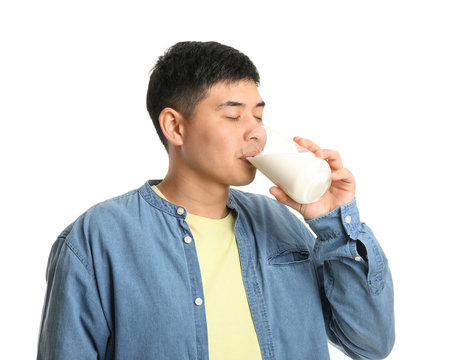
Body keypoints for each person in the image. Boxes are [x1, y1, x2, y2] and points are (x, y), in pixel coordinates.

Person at [37, 41, 395, 360]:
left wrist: (332, 221)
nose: (255, 131)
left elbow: (370, 344)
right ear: (175, 127)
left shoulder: (281, 222)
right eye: (233, 115)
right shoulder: (99, 237)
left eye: (258, 115)